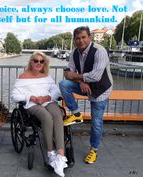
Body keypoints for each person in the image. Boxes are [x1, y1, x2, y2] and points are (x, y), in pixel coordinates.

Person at [59, 26, 113, 164]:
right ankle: (77, 114)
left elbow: (95, 76)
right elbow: (67, 73)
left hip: (101, 89)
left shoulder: (99, 51)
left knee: (96, 122)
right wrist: (80, 81)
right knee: (64, 84)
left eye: (83, 37)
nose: (81, 40)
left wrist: (77, 77)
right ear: (74, 40)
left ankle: (94, 149)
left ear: (89, 37)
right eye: (77, 38)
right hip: (85, 84)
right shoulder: (74, 53)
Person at [11, 51, 67, 177]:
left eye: (41, 61)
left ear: (44, 63)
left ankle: (60, 156)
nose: (38, 63)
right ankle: (51, 154)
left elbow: (56, 91)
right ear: (31, 62)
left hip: (47, 101)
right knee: (47, 117)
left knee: (58, 114)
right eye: (35, 60)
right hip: (33, 104)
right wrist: (31, 97)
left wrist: (47, 97)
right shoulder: (23, 77)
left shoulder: (47, 76)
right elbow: (14, 96)